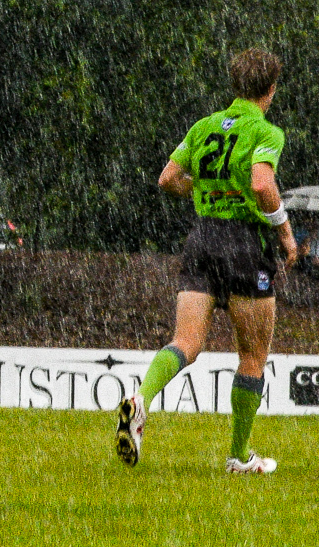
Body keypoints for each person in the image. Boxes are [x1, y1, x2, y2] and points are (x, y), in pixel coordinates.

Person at [117, 47, 296, 475]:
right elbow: (261, 184)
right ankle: (238, 456)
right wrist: (285, 232)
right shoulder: (266, 131)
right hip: (243, 244)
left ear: (235, 85)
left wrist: (205, 192)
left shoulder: (203, 127)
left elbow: (168, 179)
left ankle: (141, 399)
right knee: (252, 354)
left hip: (201, 239)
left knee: (186, 343)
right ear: (270, 90)